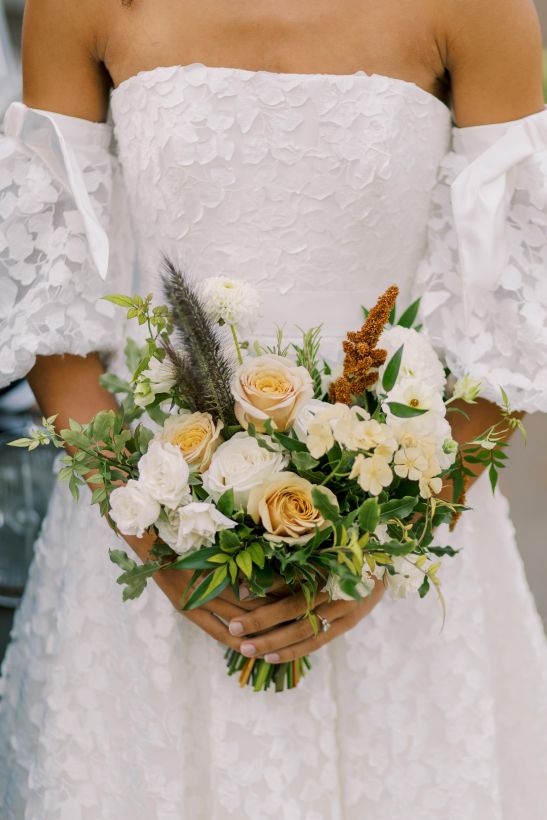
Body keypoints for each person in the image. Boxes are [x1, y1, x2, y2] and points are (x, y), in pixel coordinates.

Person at [1, 0, 547, 817]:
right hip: (152, 536)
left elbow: (516, 311)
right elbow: (48, 298)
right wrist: (154, 534)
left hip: (406, 543)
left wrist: (387, 545)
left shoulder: (479, 9)